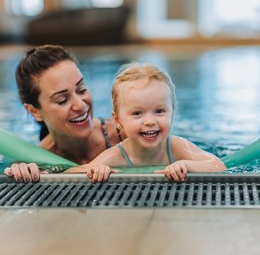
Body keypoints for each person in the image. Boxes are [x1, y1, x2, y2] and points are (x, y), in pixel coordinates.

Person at [80, 63, 226, 183]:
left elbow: (218, 165)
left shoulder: (176, 146)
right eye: (137, 113)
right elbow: (71, 171)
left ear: (172, 113)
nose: (150, 121)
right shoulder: (116, 156)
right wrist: (96, 169)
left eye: (159, 111)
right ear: (118, 120)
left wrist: (185, 164)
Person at [4, 44, 124, 182]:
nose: (80, 105)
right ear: (34, 111)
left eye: (81, 90)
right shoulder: (37, 161)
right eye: (62, 100)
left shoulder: (123, 134)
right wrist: (21, 170)